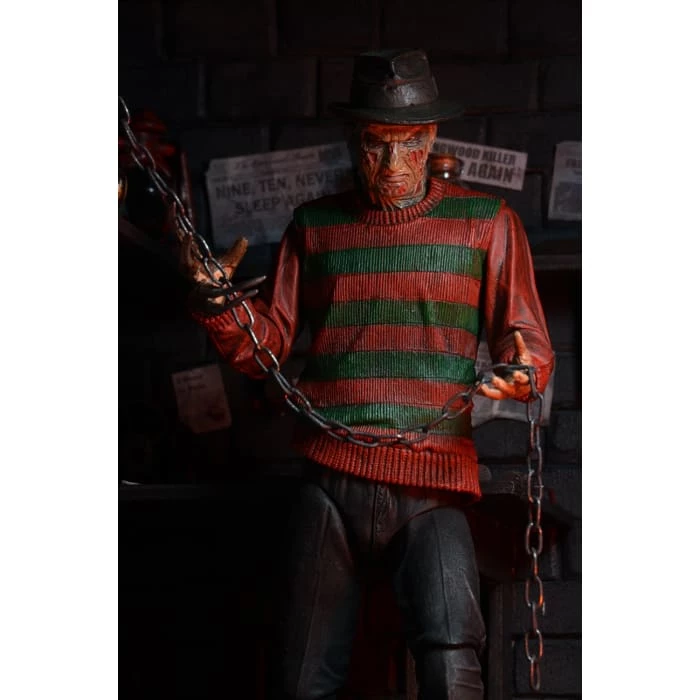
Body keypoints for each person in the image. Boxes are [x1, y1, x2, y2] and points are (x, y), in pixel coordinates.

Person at [183, 49, 554, 700]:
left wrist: (524, 370)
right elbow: (266, 346)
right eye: (375, 143)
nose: (390, 163)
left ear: (431, 137)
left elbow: (525, 336)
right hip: (331, 476)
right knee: (301, 676)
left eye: (407, 144)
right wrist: (219, 305)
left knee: (452, 661)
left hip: (433, 481)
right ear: (354, 139)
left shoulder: (487, 224)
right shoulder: (314, 227)